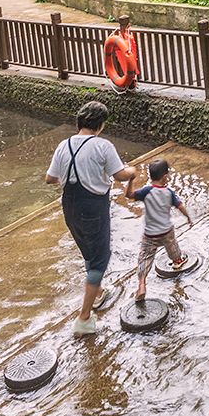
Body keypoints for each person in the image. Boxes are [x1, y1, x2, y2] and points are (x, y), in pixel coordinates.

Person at [43, 101, 136, 335]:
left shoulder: (63, 146)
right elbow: (120, 175)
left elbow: (50, 179)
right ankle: (84, 319)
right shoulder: (102, 146)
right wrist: (133, 171)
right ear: (100, 125)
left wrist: (71, 175)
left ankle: (100, 292)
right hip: (93, 208)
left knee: (88, 250)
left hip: (70, 208)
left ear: (80, 122)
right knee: (100, 258)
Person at [124, 157, 195, 301]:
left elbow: (129, 195)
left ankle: (142, 284)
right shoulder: (169, 193)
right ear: (165, 177)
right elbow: (180, 206)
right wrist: (188, 218)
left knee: (145, 256)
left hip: (150, 233)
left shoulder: (146, 191)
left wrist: (131, 180)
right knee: (172, 246)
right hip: (166, 230)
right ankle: (177, 261)